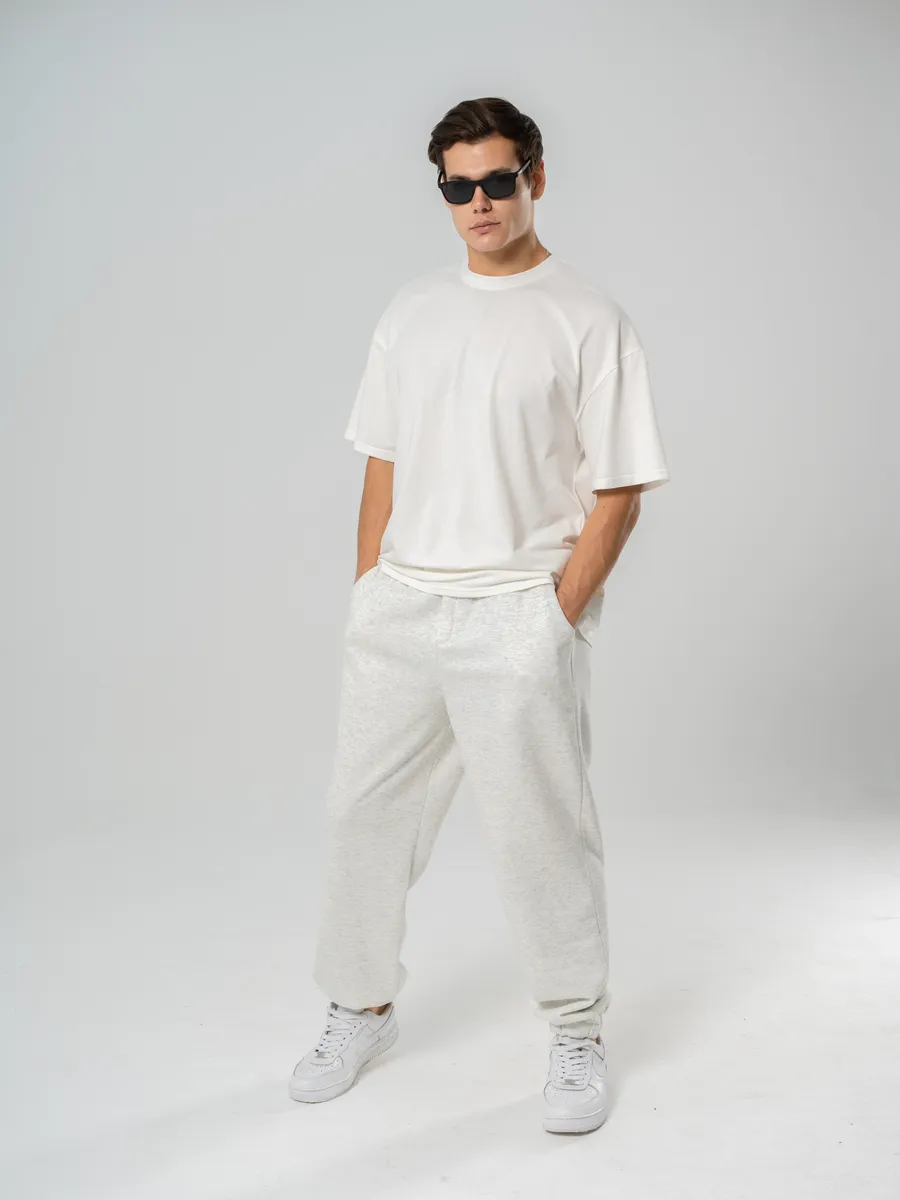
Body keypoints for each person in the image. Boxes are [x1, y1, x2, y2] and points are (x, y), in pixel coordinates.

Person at [289, 96, 670, 1135]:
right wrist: (370, 591)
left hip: (517, 612)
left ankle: (577, 1029)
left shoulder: (587, 318)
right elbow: (383, 460)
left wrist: (555, 616)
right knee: (362, 819)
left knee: (542, 836)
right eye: (458, 188)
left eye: (498, 181)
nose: (480, 204)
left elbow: (621, 488)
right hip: (404, 610)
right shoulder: (411, 311)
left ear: (535, 178)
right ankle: (360, 1008)